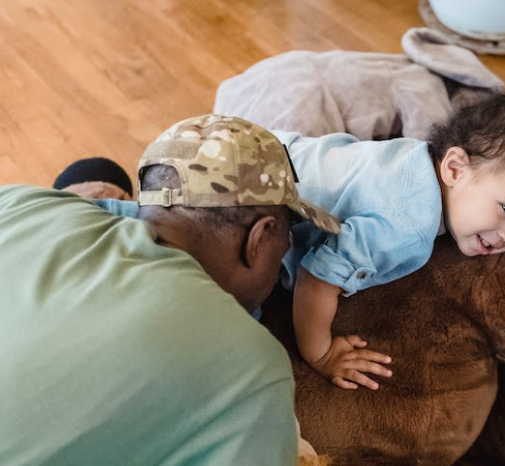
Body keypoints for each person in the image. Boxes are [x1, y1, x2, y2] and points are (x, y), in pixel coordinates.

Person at [61, 92, 505, 392]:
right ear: (454, 168)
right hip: (255, 212)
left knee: (148, 219)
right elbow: (318, 272)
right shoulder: (411, 227)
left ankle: (77, 208)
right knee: (236, 320)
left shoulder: (406, 157)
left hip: (245, 159)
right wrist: (321, 353)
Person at [0, 115, 339, 466]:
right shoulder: (249, 367)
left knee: (98, 169)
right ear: (260, 236)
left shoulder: (24, 201)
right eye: (286, 241)